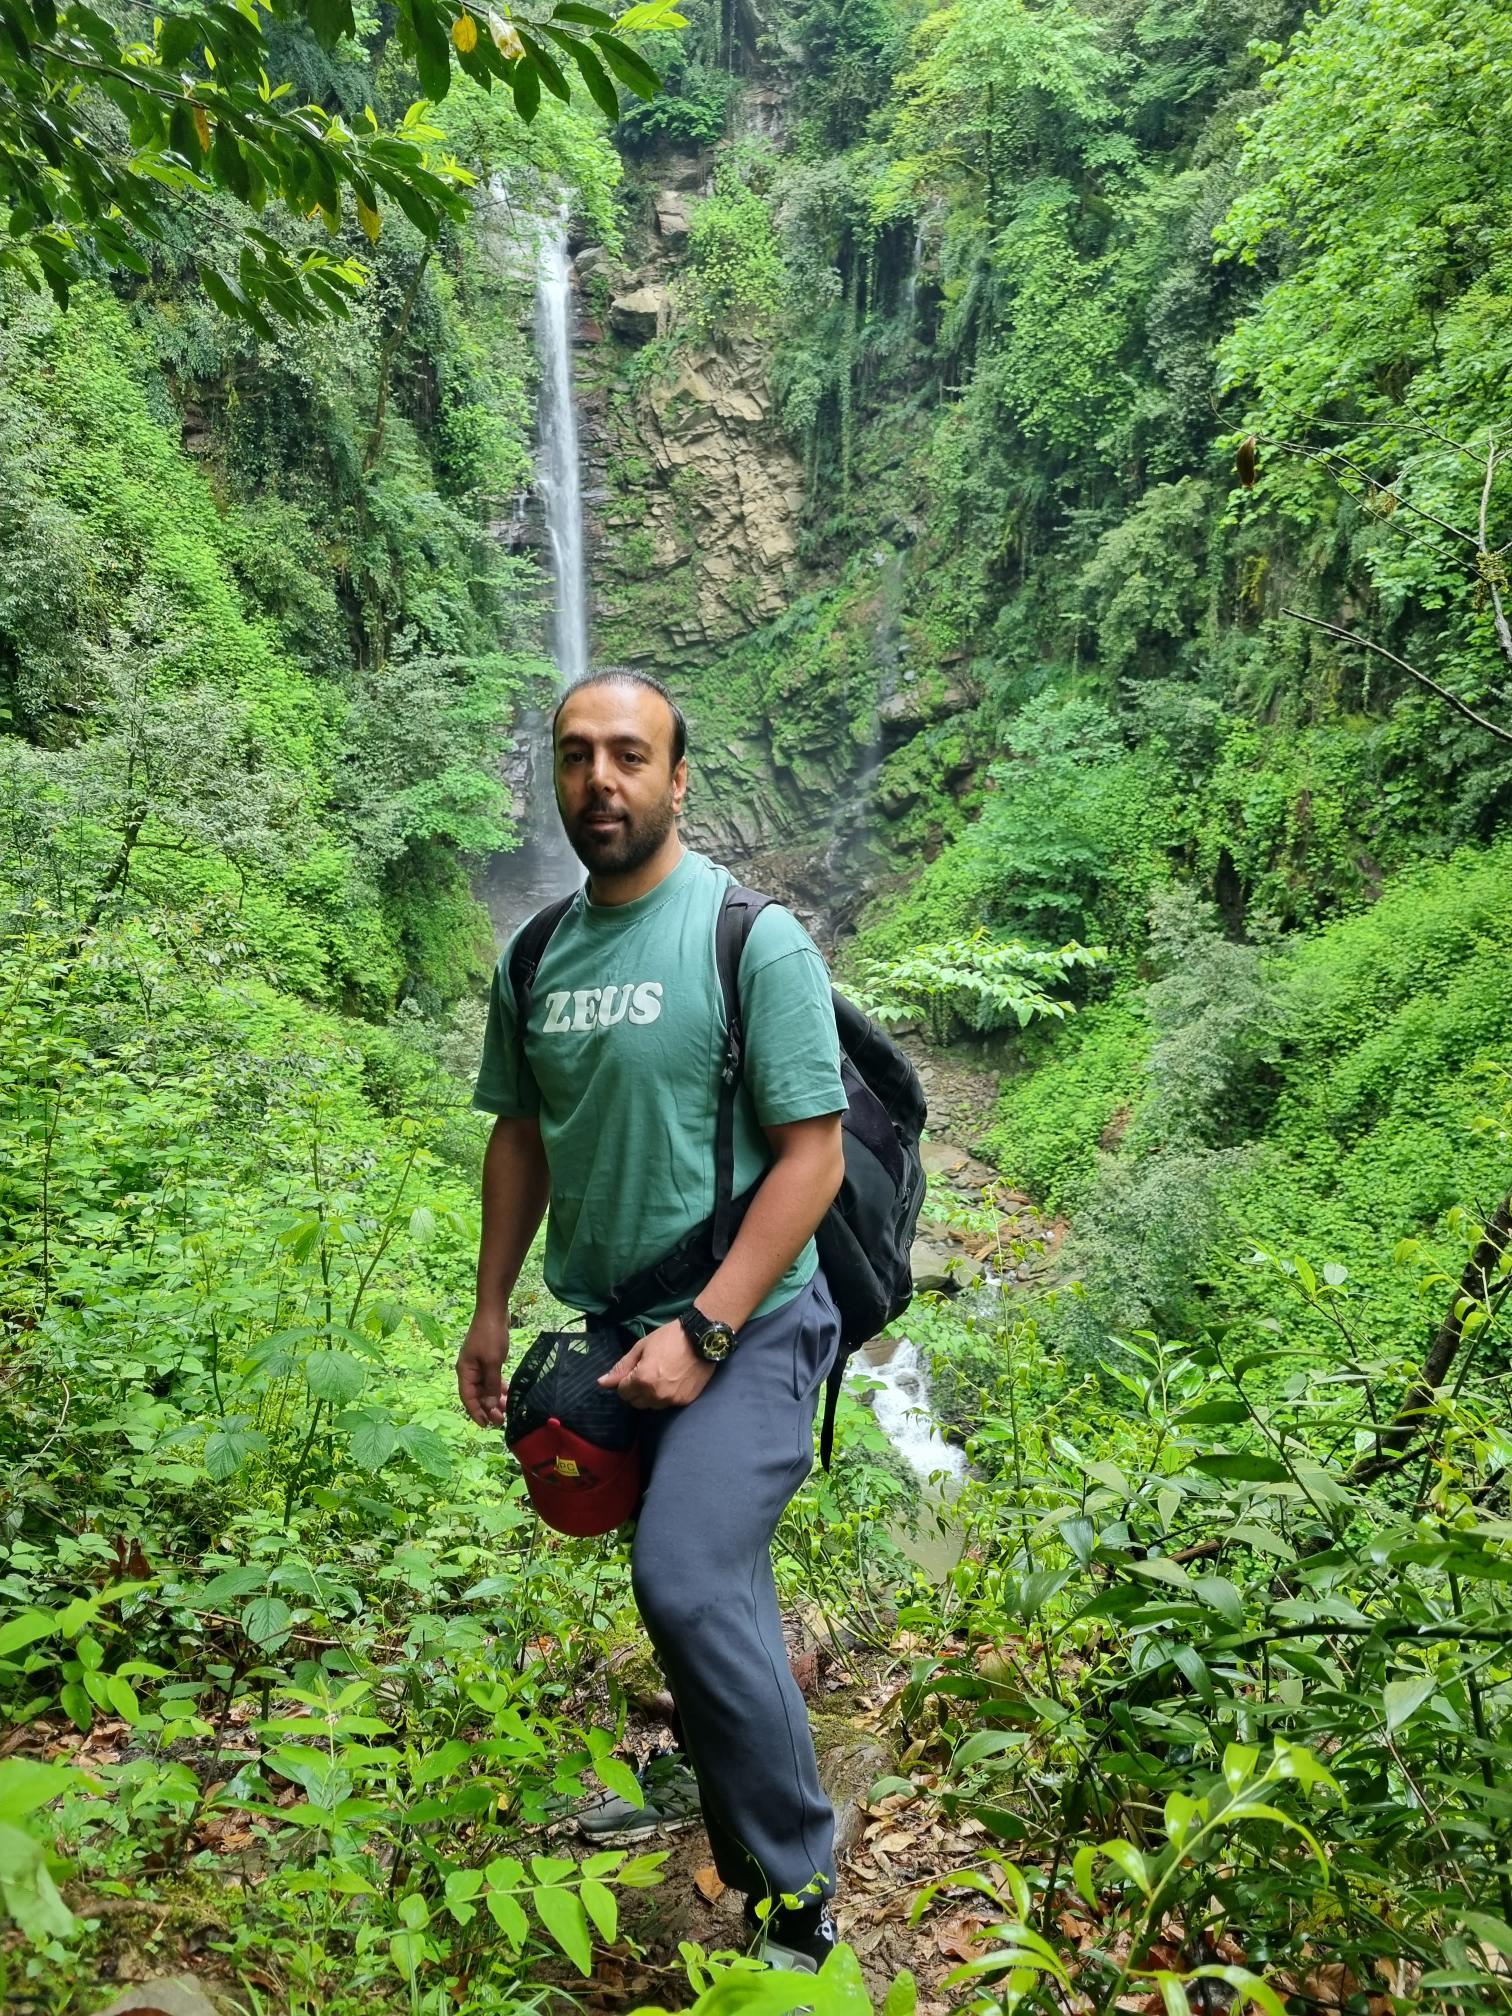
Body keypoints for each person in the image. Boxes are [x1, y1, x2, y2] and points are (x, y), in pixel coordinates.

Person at [456, 667, 848, 1973]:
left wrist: (707, 1334)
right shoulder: (534, 956)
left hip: (755, 1319)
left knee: (681, 1578)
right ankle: (739, 1811)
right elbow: (522, 1135)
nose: (600, 779)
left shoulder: (751, 940)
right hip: (620, 1335)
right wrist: (491, 1306)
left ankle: (795, 1901)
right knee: (707, 1589)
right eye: (576, 755)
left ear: (679, 780)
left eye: (629, 755)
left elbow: (812, 1159)